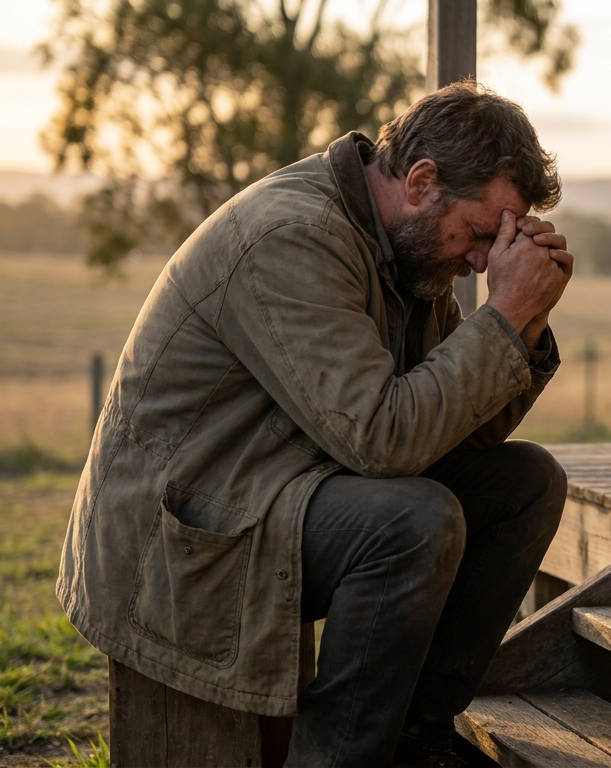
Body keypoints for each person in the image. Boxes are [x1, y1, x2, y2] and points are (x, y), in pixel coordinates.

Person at [57, 80, 573, 766]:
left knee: (525, 482)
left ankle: (414, 742)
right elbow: (385, 442)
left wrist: (525, 326)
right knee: (411, 519)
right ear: (421, 182)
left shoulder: (411, 253)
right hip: (183, 533)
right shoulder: (292, 236)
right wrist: (501, 318)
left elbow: (461, 433)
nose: (482, 261)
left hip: (282, 488)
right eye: (481, 234)